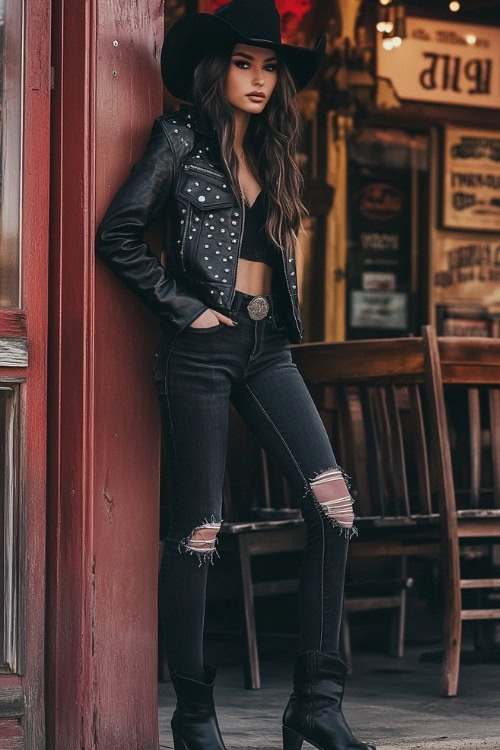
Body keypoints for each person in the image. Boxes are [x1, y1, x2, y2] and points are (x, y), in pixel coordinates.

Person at [95, 1, 375, 749]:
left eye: (269, 66)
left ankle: (316, 703)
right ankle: (194, 715)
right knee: (199, 532)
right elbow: (117, 234)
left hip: (267, 347)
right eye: (244, 63)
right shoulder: (179, 139)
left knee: (335, 508)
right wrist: (183, 309)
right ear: (216, 71)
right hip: (201, 349)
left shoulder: (279, 153)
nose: (258, 78)